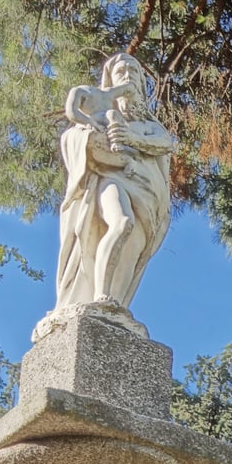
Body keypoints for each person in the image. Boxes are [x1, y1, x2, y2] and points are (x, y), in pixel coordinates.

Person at [55, 53, 173, 310]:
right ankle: (100, 296)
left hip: (148, 198)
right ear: (110, 81)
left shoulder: (148, 125)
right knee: (121, 222)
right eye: (121, 71)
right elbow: (73, 139)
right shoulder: (100, 115)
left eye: (134, 71)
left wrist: (132, 138)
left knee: (130, 253)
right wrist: (90, 135)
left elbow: (165, 144)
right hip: (110, 179)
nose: (128, 75)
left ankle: (114, 303)